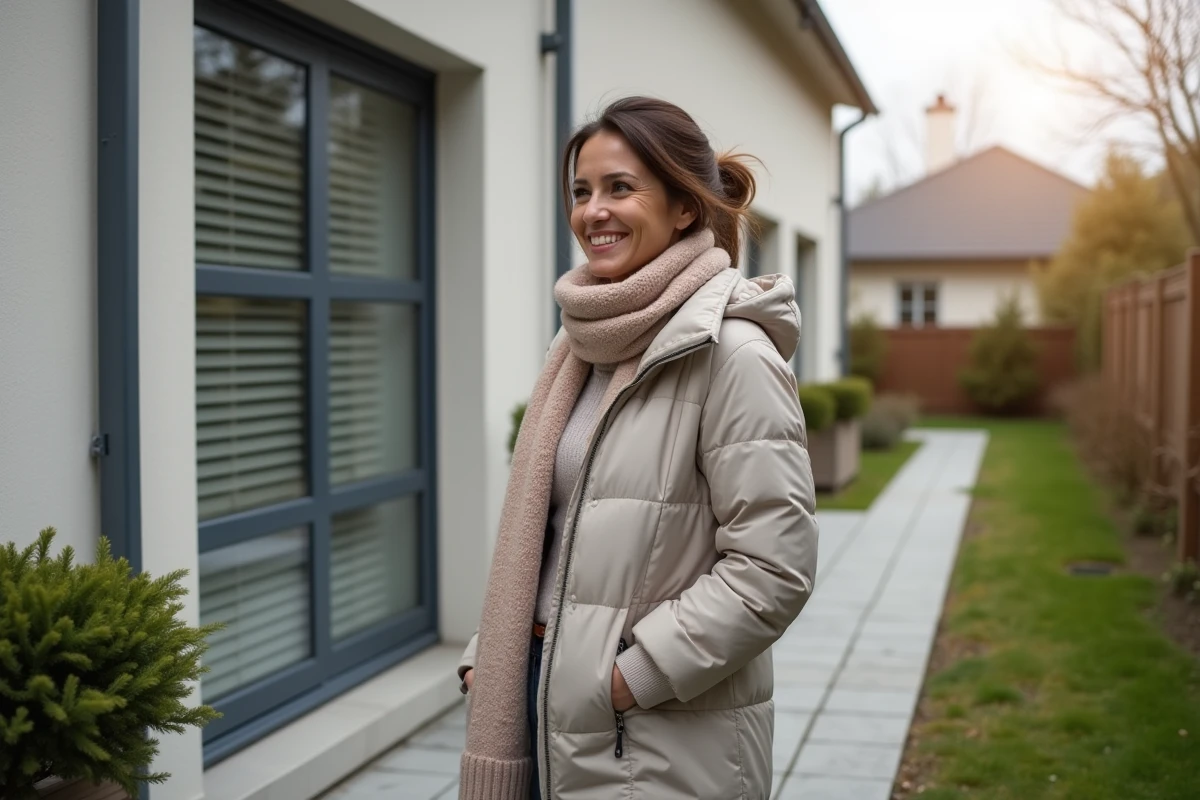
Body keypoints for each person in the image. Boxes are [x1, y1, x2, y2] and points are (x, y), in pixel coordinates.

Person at [456, 96, 818, 800]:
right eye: (582, 191)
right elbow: (556, 535)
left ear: (684, 207)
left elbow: (775, 566)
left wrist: (629, 677)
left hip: (654, 740)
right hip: (539, 697)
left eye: (621, 187)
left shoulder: (734, 353)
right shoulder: (579, 347)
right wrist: (494, 655)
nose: (594, 211)